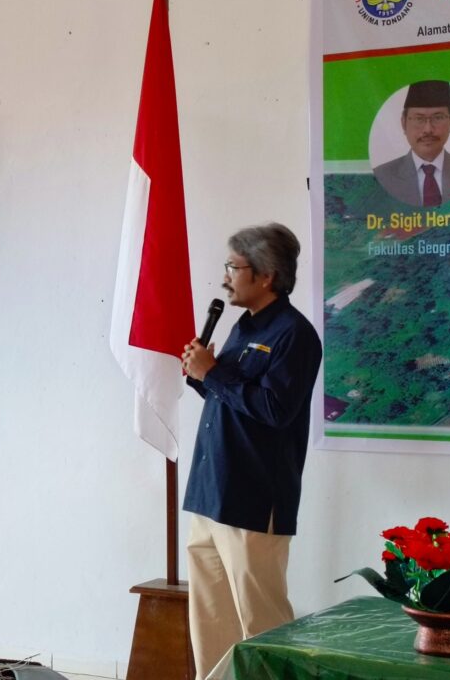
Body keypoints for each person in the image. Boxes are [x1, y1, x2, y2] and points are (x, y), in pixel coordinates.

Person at [180, 223, 322, 680]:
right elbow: (236, 403)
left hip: (253, 499)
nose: (226, 276)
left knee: (263, 625)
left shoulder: (294, 334)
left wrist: (214, 374)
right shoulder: (244, 326)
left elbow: (275, 409)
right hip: (211, 492)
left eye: (233, 267)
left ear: (266, 275)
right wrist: (202, 375)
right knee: (211, 621)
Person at [373, 80, 450, 207]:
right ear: (403, 123)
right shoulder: (380, 177)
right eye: (419, 118)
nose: (428, 129)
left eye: (438, 117)